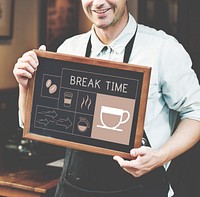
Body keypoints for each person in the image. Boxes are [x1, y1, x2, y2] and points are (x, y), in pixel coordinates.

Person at [13, 0, 200, 196]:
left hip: (141, 189)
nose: (99, 2)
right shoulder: (69, 50)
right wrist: (25, 86)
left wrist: (160, 157)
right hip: (74, 188)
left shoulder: (163, 49)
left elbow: (195, 114)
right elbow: (33, 123)